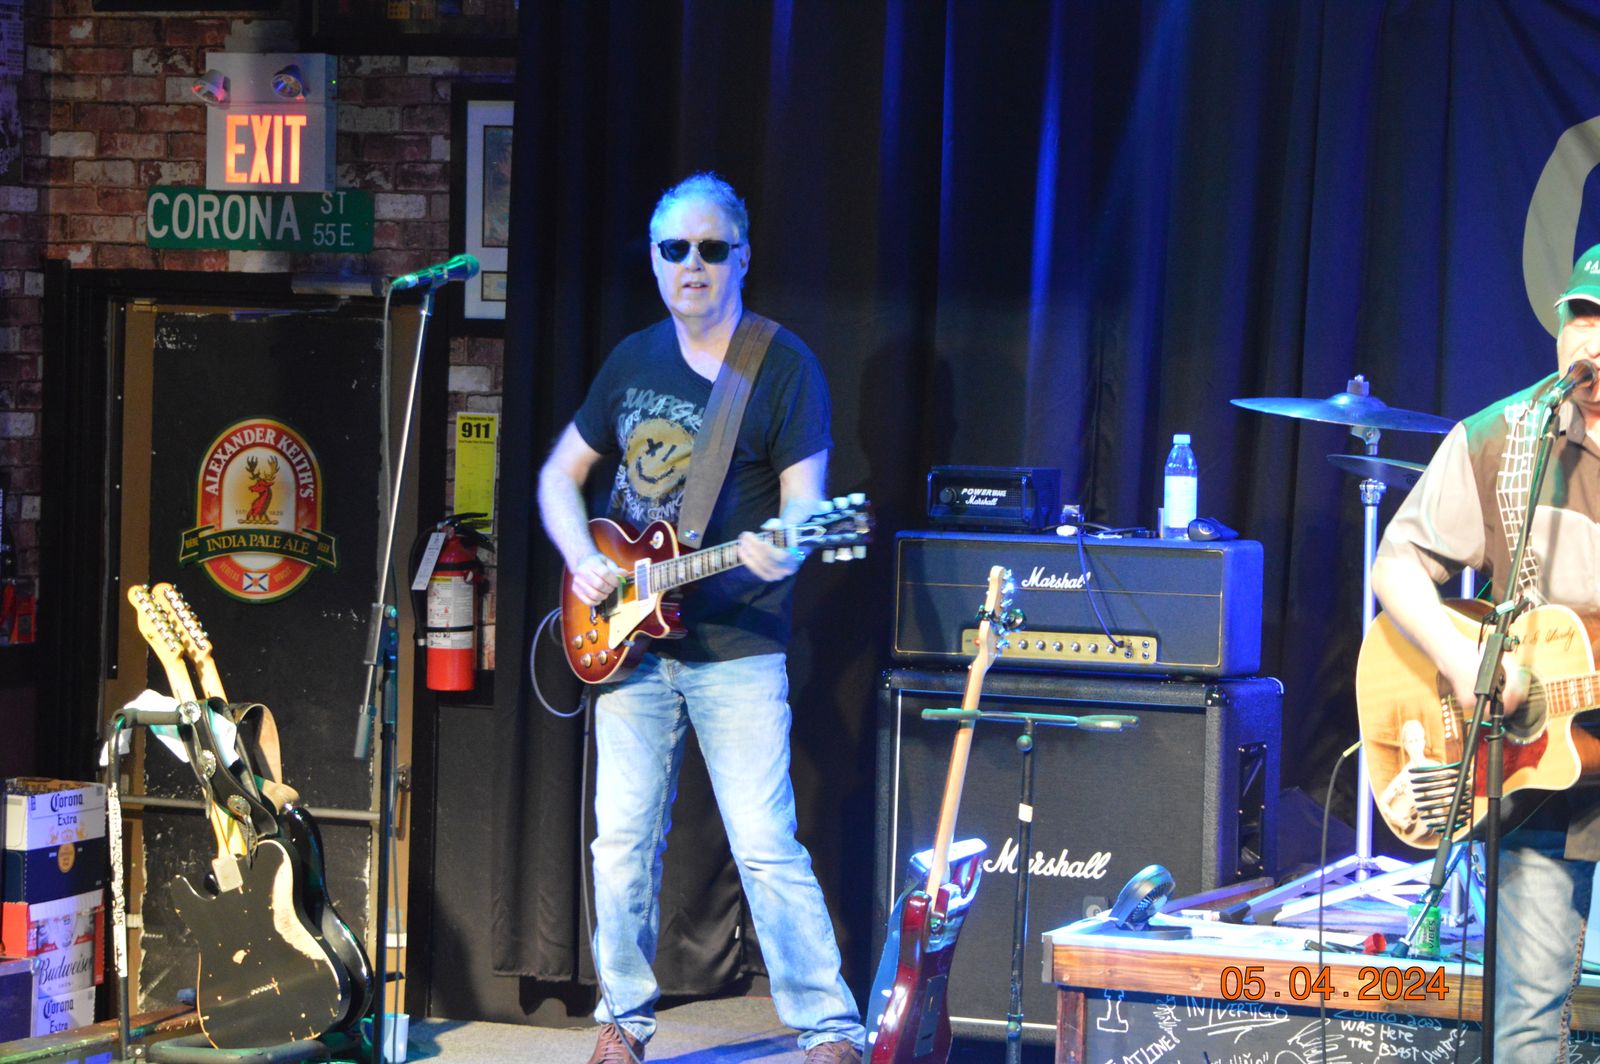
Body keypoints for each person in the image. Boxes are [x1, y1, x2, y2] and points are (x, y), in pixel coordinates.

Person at [538, 172, 866, 1064]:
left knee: (763, 843)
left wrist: (784, 547)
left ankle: (830, 1028)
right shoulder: (632, 359)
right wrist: (582, 558)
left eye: (712, 248)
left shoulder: (782, 366)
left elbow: (806, 510)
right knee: (620, 845)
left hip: (739, 646)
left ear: (742, 257)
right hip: (628, 644)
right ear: (654, 261)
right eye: (675, 248)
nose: (693, 263)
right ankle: (622, 1019)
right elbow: (559, 476)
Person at [1371, 244, 1600, 1060]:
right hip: (1539, 778)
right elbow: (1397, 562)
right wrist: (1460, 657)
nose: (1590, 339)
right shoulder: (1505, 436)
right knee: (1526, 1021)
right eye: (1581, 315)